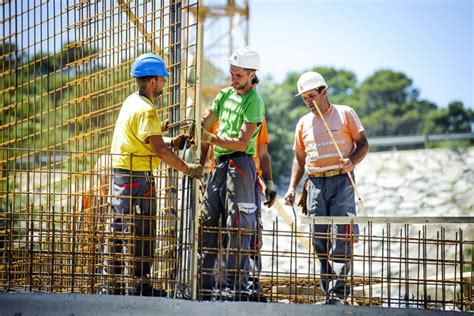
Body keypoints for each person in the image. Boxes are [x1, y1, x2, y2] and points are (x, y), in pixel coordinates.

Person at [105, 53, 203, 296]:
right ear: (154, 81)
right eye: (162, 79)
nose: (164, 84)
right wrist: (188, 169)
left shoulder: (131, 101)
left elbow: (146, 140)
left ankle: (113, 285)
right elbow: (158, 149)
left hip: (122, 174)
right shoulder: (147, 110)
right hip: (136, 176)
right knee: (141, 232)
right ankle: (140, 287)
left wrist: (172, 140)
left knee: (120, 229)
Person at [283, 71, 369, 304]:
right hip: (316, 183)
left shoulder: (345, 114)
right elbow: (299, 159)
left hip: (342, 180)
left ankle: (339, 291)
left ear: (324, 91)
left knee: (343, 235)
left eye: (312, 95)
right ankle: (328, 288)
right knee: (318, 236)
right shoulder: (303, 123)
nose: (309, 101)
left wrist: (351, 161)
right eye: (304, 98)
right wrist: (292, 188)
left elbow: (363, 144)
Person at [199, 47, 264, 300]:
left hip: (241, 164)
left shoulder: (254, 101)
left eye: (238, 75)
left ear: (251, 74)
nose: (233, 79)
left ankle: (235, 289)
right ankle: (204, 287)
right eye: (232, 74)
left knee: (237, 226)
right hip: (220, 165)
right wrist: (192, 129)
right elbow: (205, 121)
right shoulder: (224, 95)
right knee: (208, 223)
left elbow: (240, 142)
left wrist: (210, 137)